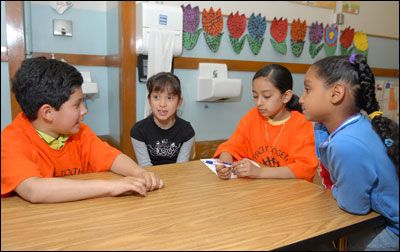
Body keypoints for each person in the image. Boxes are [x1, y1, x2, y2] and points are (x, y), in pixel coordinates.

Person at [1, 57, 163, 203]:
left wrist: (138, 172)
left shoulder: (80, 132)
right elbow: (33, 190)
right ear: (47, 113)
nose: (84, 110)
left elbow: (112, 158)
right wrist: (111, 186)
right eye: (77, 104)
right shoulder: (11, 140)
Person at [300, 54, 399, 251]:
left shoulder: (346, 143)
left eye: (308, 89)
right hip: (381, 216)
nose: (301, 98)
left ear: (336, 93)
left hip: (392, 229)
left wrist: (336, 189)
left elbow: (355, 206)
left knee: (312, 237)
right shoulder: (354, 126)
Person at [214, 64, 318, 181]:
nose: (259, 103)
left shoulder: (301, 124)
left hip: (291, 191)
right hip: (259, 190)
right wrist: (224, 164)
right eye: (255, 96)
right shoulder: (253, 117)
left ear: (286, 96)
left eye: (266, 96)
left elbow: (305, 168)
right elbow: (231, 147)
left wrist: (260, 172)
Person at [130, 72, 195, 167]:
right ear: (149, 100)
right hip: (150, 177)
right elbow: (146, 166)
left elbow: (181, 167)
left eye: (170, 98)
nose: (162, 104)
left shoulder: (187, 131)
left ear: (179, 102)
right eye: (156, 97)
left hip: (177, 176)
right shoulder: (138, 131)